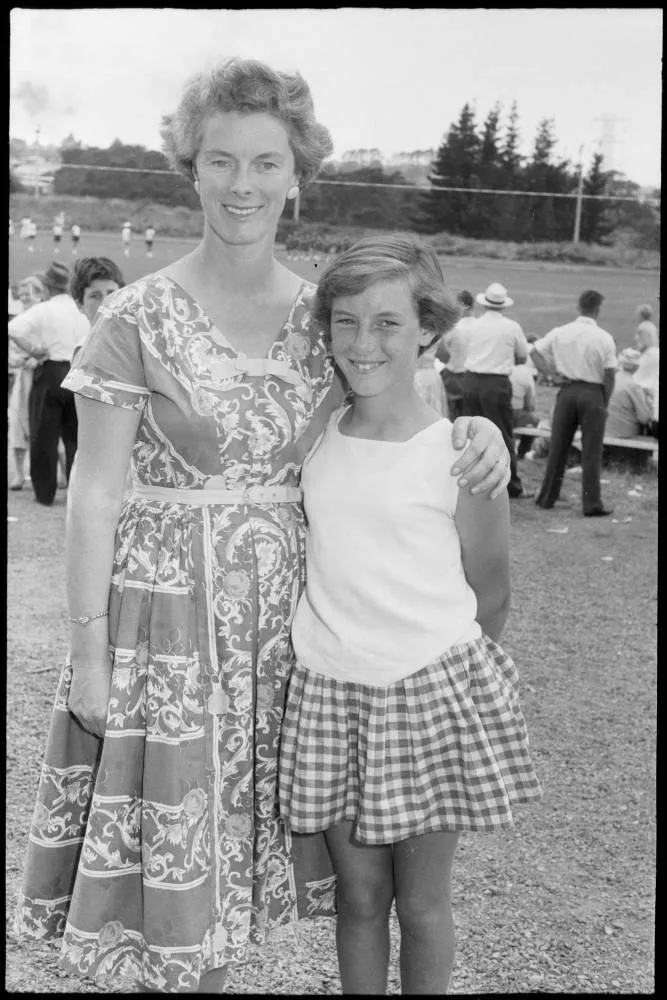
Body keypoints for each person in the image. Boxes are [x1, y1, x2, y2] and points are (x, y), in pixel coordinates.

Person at [14, 58, 509, 995]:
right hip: (172, 622)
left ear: (297, 174)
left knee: (251, 869)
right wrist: (87, 652)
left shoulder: (322, 313)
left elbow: (399, 411)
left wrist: (479, 431)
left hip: (296, 631)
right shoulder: (138, 311)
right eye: (221, 161)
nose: (243, 184)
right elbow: (94, 489)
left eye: (265, 163)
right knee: (184, 873)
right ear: (189, 169)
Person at [278, 235, 541, 996]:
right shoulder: (317, 434)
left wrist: (435, 677)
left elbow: (489, 593)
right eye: (346, 323)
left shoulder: (459, 453)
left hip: (424, 698)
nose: (364, 344)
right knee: (357, 900)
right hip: (329, 693)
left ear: (427, 328)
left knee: (421, 905)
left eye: (387, 323)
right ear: (326, 330)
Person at [7, 261, 90, 505]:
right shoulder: (80, 310)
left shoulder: (44, 309)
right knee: (75, 437)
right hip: (78, 370)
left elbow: (12, 328)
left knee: (44, 435)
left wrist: (33, 349)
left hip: (51, 370)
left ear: (46, 286)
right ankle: (77, 490)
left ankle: (45, 493)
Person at [531, 289, 617, 517]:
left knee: (558, 446)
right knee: (591, 451)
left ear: (578, 307)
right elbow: (609, 375)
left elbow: (535, 352)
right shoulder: (604, 337)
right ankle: (591, 503)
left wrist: (551, 375)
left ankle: (547, 497)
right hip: (593, 393)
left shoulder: (561, 332)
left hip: (567, 390)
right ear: (597, 310)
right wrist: (603, 401)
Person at [462, 282, 532, 498]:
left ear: (485, 304)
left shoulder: (473, 325)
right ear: (503, 305)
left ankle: (472, 480)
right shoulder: (511, 327)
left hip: (471, 380)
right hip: (496, 382)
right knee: (502, 433)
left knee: (472, 434)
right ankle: (511, 485)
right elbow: (522, 356)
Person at [8, 275, 46, 490]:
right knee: (17, 422)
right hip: (22, 379)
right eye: (21, 295)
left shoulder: (46, 318)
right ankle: (20, 474)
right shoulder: (18, 321)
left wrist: (36, 358)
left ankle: (60, 474)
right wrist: (14, 360)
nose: (24, 299)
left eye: (28, 295)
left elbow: (52, 345)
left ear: (39, 295)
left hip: (42, 377)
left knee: (45, 424)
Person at [436, 289, 475, 422]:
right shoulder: (480, 326)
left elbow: (441, 352)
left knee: (450, 417)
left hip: (454, 378)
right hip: (474, 378)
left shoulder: (453, 327)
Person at [510, 358, 539, 458]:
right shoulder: (525, 372)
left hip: (493, 411)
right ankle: (522, 452)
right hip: (514, 413)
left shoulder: (496, 366)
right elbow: (530, 406)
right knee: (533, 420)